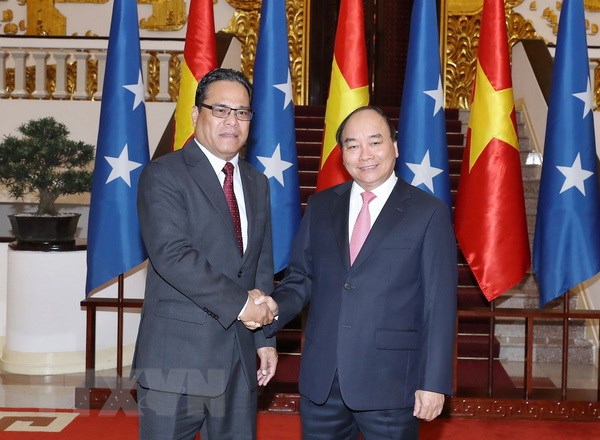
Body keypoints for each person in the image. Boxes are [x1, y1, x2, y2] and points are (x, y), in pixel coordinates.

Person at [259, 106, 457, 439]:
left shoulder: (428, 213)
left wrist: (434, 382)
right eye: (352, 145)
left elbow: (438, 305)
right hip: (323, 384)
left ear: (394, 147)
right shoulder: (322, 206)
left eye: (374, 142)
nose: (364, 154)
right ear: (342, 155)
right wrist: (272, 309)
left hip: (392, 385)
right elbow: (301, 279)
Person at [133, 68, 278, 440]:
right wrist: (243, 306)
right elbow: (172, 255)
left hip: (239, 361)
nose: (233, 121)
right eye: (221, 110)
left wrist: (264, 339)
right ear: (197, 115)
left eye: (242, 112)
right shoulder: (163, 174)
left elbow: (260, 263)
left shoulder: (256, 182)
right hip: (177, 361)